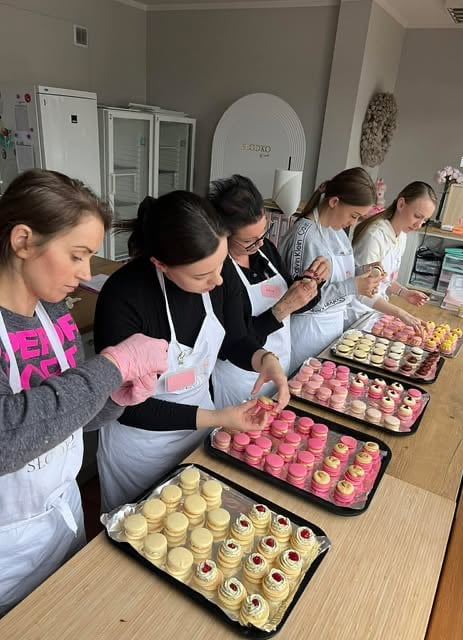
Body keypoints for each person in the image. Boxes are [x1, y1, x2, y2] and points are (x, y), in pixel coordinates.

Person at [0, 169, 169, 615]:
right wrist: (112, 366)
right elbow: (5, 439)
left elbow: (67, 415)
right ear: (23, 241)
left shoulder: (55, 315)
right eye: (77, 255)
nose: (86, 272)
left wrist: (113, 398)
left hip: (61, 519)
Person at [94, 191, 289, 512]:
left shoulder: (218, 273)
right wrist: (217, 417)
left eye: (220, 265)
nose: (217, 280)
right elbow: (127, 406)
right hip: (143, 448)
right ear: (161, 264)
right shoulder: (125, 296)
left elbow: (235, 339)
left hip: (199, 437)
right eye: (201, 275)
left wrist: (265, 359)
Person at [208, 174, 329, 406]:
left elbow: (300, 301)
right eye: (249, 240)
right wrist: (281, 309)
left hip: (280, 367)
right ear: (223, 235)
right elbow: (232, 342)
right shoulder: (218, 272)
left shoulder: (266, 251)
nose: (260, 243)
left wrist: (311, 283)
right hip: (242, 380)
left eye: (264, 232)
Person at [280, 167, 383, 372]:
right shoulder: (305, 236)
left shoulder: (336, 231)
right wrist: (352, 286)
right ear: (334, 202)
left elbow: (342, 270)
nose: (353, 223)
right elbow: (301, 301)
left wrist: (364, 270)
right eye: (353, 215)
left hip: (330, 330)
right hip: (306, 333)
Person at [352, 181, 437, 326]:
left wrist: (404, 292)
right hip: (357, 315)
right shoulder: (375, 236)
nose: (419, 225)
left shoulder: (402, 235)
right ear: (401, 204)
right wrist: (400, 313)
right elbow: (362, 291)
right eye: (417, 216)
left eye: (424, 220)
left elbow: (384, 279)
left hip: (375, 313)